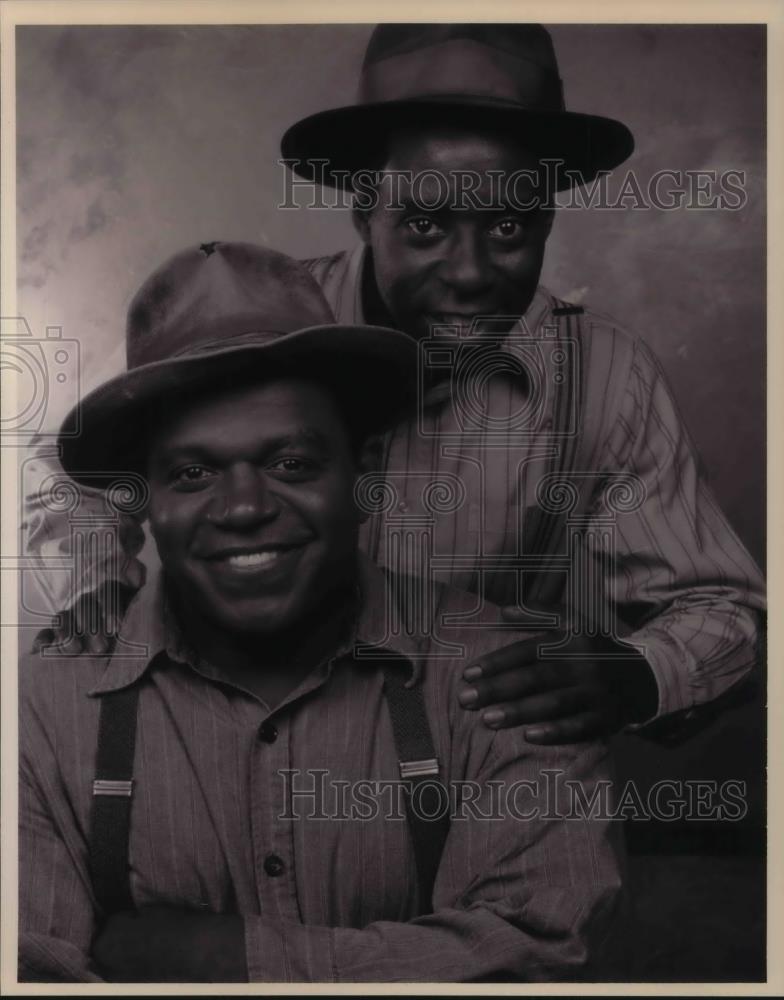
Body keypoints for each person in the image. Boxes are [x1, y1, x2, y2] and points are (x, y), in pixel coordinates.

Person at [24, 23, 764, 746]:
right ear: (363, 213)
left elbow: (724, 608)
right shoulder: (255, 330)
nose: (471, 273)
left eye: (508, 227)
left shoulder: (605, 375)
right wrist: (95, 580)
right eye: (426, 227)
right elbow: (77, 461)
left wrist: (639, 672)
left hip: (473, 764)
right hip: (243, 747)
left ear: (547, 219)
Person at [19, 242, 623, 983]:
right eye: (193, 473)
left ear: (363, 473)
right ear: (144, 500)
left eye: (291, 465)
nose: (243, 508)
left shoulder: (514, 678)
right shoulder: (41, 710)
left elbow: (538, 955)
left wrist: (225, 957)